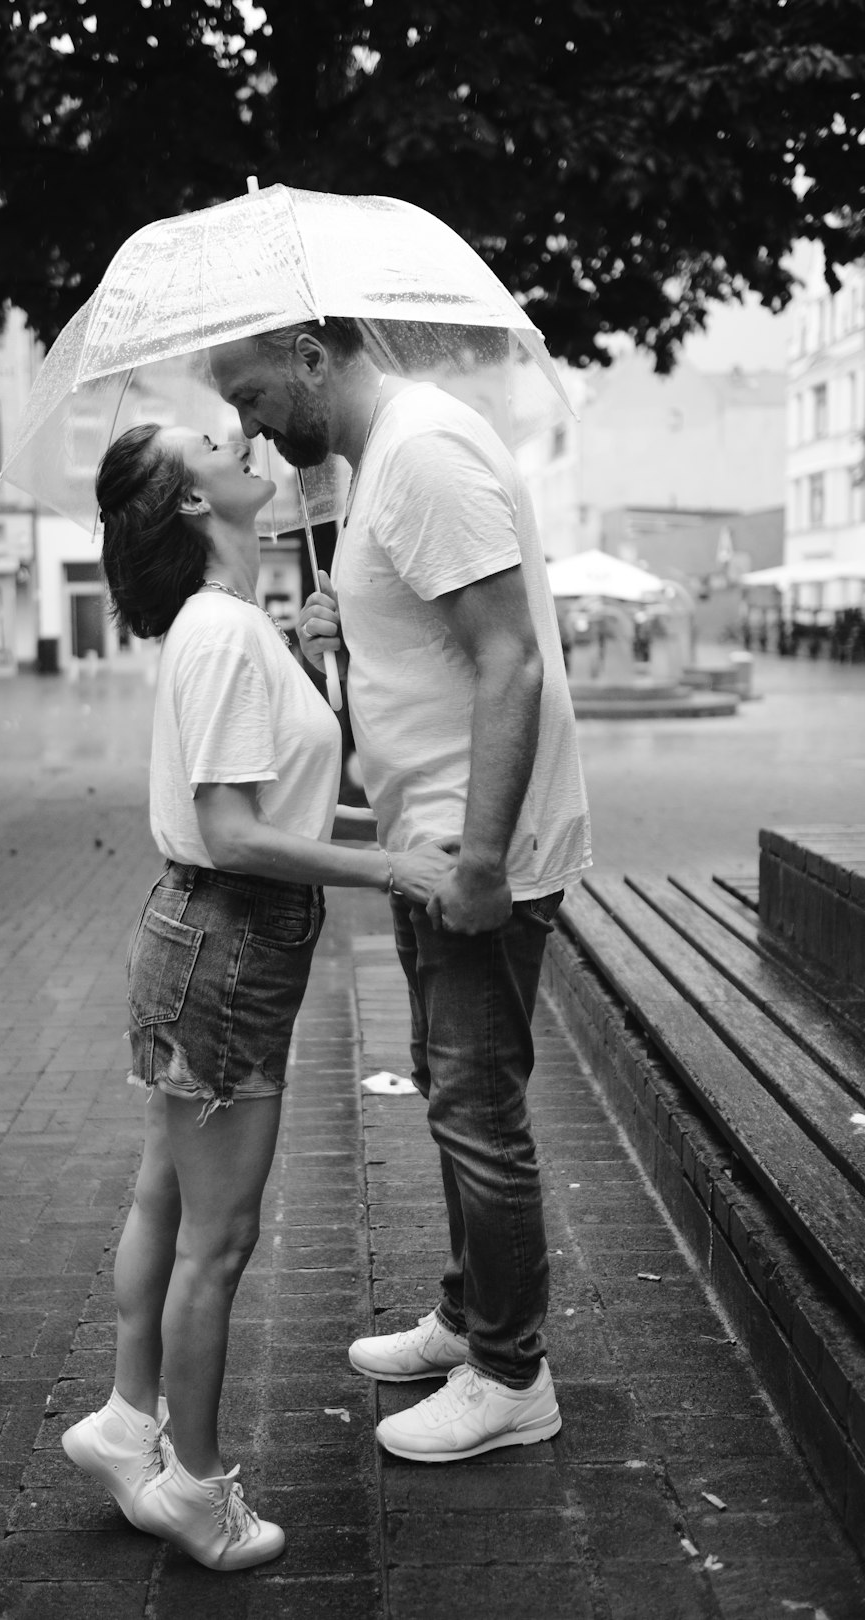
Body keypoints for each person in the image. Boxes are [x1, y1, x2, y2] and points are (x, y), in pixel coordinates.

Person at [60, 422, 455, 1568]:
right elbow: (237, 833)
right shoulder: (226, 634)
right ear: (193, 501)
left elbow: (270, 804)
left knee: (165, 1204)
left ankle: (128, 1422)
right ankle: (193, 1487)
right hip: (228, 948)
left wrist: (315, 659)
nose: (240, 437)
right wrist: (390, 865)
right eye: (208, 442)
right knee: (217, 1243)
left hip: (196, 940)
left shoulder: (229, 627)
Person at [212, 321, 592, 1464]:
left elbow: (509, 660)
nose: (249, 426)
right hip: (430, 843)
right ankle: (472, 1318)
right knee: (448, 1086)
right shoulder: (373, 465)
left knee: (477, 1108)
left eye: (253, 392)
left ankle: (511, 1374)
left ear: (312, 357)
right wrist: (344, 632)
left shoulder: (420, 452)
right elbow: (432, 649)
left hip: (478, 851)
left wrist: (480, 864)